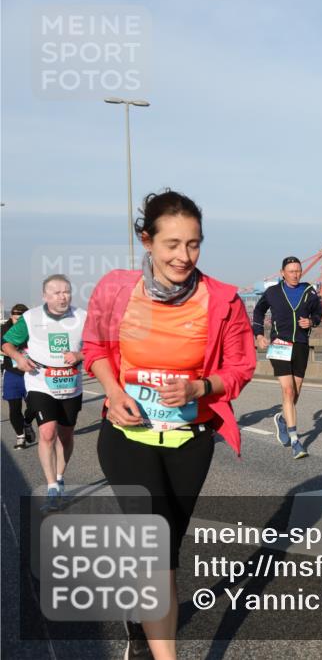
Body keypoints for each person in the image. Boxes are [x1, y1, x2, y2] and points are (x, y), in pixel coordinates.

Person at [83, 189, 256, 660]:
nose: (184, 256)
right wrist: (115, 394)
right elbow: (95, 349)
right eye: (172, 244)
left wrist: (201, 388)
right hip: (126, 437)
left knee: (164, 552)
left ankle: (140, 620)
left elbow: (242, 367)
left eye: (194, 244)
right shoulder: (115, 289)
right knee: (157, 551)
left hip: (190, 441)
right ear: (147, 241)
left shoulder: (222, 300)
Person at [2, 278, 86, 509]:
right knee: (48, 433)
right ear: (44, 296)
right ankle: (51, 487)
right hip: (40, 382)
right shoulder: (31, 318)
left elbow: (97, 345)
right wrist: (19, 358)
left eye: (66, 292)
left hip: (71, 385)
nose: (62, 296)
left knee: (66, 436)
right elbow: (6, 343)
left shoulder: (83, 317)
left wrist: (79, 356)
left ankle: (60, 478)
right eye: (56, 292)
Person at [252, 256, 322, 459]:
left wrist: (311, 321)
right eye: (291, 271)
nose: (295, 274)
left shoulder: (309, 291)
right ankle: (295, 441)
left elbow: (318, 314)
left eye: (298, 271)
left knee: (295, 393)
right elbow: (258, 311)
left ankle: (282, 419)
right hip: (279, 345)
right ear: (282, 272)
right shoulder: (273, 292)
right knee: (288, 389)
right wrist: (258, 335)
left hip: (301, 345)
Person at [2, 304, 36, 449]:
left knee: (34, 406)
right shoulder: (4, 329)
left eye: (23, 319)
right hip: (12, 372)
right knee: (14, 408)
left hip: (32, 373)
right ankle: (20, 437)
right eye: (17, 319)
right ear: (11, 317)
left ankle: (27, 423)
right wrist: (13, 351)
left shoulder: (33, 328)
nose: (19, 322)